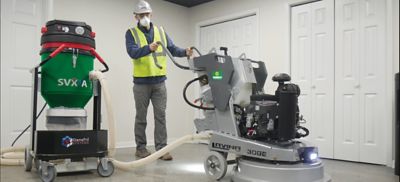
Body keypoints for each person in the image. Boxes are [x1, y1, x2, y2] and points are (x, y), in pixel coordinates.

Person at [125, 0, 193, 161]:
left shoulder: (160, 31)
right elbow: (132, 52)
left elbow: (172, 49)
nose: (144, 17)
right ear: (136, 16)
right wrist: (148, 48)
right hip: (141, 83)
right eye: (141, 15)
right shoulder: (131, 33)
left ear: (151, 14)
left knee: (160, 116)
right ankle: (140, 149)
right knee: (141, 117)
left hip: (159, 83)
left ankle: (162, 149)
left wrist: (185, 52)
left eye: (146, 14)